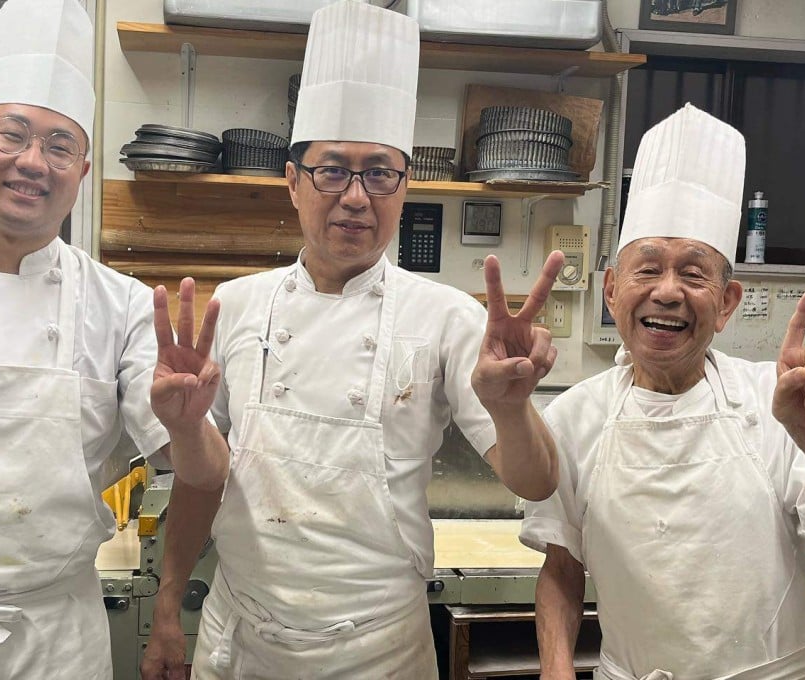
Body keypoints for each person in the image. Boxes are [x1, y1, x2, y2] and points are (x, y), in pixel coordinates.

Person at [140, 2, 562, 678]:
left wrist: (512, 408)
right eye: (332, 170)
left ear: (404, 184)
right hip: (242, 640)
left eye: (380, 172)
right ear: (292, 181)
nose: (357, 197)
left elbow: (537, 480)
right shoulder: (237, 308)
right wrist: (167, 601)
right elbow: (202, 482)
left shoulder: (446, 317)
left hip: (377, 652)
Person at [0, 1, 221, 677]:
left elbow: (205, 476)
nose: (34, 162)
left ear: (82, 172)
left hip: (53, 640)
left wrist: (188, 428)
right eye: (13, 135)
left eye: (60, 146)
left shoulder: (121, 308)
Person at [521, 103, 805, 680]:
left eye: (694, 274)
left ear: (726, 303)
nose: (668, 292)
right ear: (613, 292)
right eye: (647, 270)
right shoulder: (572, 418)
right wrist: (556, 671)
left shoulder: (780, 403)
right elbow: (562, 569)